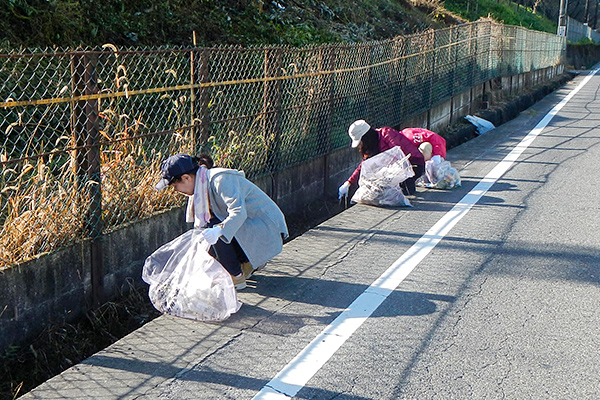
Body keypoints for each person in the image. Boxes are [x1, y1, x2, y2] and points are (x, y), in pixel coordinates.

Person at [155, 153, 288, 290]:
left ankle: (236, 276)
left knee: (213, 227)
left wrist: (218, 230)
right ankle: (245, 262)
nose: (176, 190)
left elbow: (239, 212)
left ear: (186, 178)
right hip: (252, 226)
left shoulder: (220, 179)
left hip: (266, 228)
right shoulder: (202, 184)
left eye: (175, 186)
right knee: (208, 229)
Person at [338, 120, 425, 198]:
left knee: (397, 192)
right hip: (395, 170)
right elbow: (364, 165)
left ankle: (407, 185)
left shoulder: (386, 134)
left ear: (366, 137)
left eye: (361, 140)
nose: (361, 144)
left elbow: (398, 154)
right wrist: (349, 182)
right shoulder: (370, 146)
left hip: (413, 164)